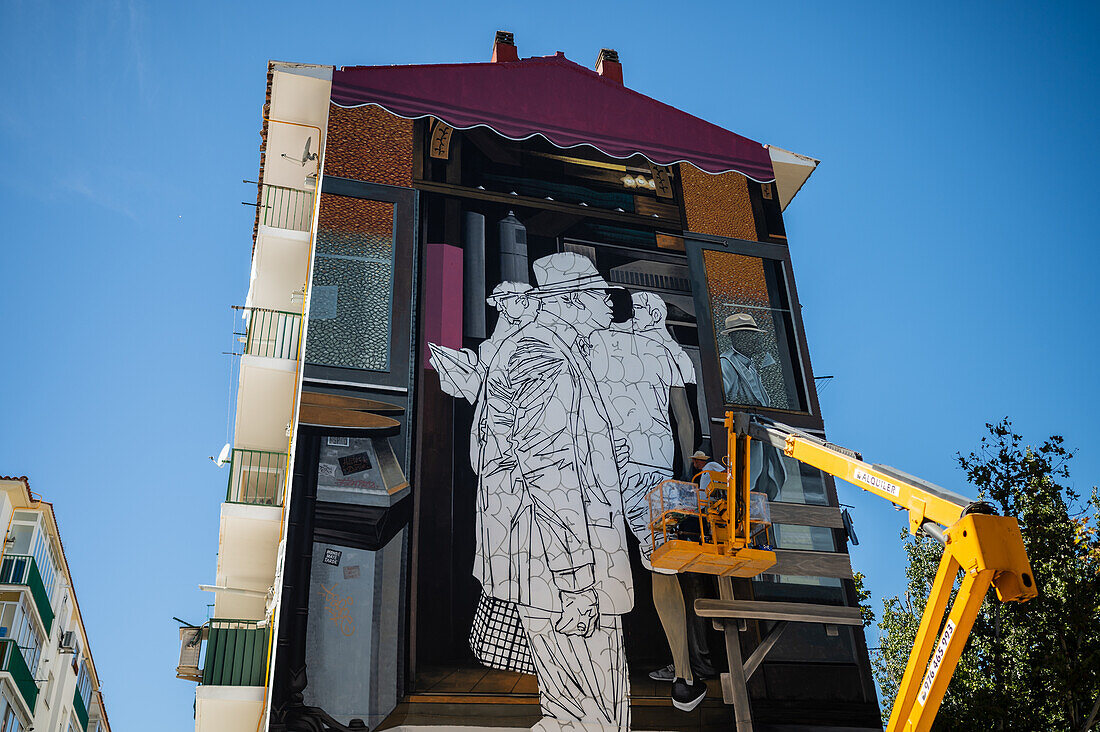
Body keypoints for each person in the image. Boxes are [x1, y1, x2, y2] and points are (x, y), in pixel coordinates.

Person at [434, 252, 634, 732]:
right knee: (598, 713)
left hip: (541, 555)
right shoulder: (544, 356)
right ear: (567, 301)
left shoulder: (536, 350)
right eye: (597, 298)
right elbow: (549, 470)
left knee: (571, 710)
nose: (608, 309)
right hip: (557, 562)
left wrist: (602, 449)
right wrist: (578, 581)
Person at [588, 292, 708, 711]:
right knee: (663, 567)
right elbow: (685, 419)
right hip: (652, 470)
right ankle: (684, 675)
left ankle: (594, 669)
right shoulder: (671, 351)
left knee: (595, 562)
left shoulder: (597, 342)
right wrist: (688, 470)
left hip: (603, 465)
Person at [718, 313, 773, 407]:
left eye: (755, 334)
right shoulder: (725, 363)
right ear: (735, 337)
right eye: (749, 334)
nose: (756, 339)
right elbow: (720, 401)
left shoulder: (751, 366)